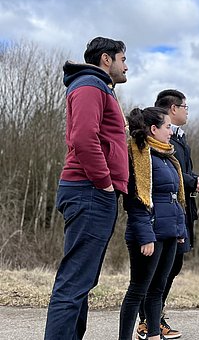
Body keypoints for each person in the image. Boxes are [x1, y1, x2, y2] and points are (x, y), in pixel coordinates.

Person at [44, 37, 128, 340]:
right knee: (74, 280)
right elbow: (82, 139)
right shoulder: (90, 85)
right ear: (106, 59)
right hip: (90, 191)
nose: (126, 65)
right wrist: (105, 182)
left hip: (92, 192)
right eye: (123, 59)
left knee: (82, 280)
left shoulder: (98, 87)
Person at [135, 89, 199, 339]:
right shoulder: (157, 142)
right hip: (163, 215)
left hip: (181, 211)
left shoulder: (179, 138)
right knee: (158, 271)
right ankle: (148, 321)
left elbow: (178, 173)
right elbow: (160, 178)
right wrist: (191, 181)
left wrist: (194, 181)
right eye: (185, 106)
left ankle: (154, 319)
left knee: (173, 267)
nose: (188, 111)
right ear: (173, 109)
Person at [118, 107, 187, 340]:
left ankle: (154, 335)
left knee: (157, 290)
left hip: (168, 233)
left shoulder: (167, 156)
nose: (171, 132)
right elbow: (136, 199)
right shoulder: (139, 156)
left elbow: (173, 198)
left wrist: (180, 230)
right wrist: (145, 236)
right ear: (153, 129)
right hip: (149, 235)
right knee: (138, 290)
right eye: (167, 127)